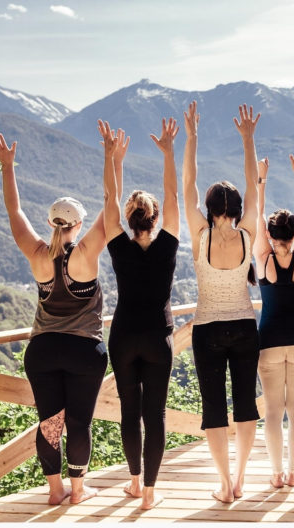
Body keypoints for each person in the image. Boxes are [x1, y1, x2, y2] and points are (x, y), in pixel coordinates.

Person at [0, 132, 108, 506]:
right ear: (78, 224)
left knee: (49, 423)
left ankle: (54, 491)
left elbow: (14, 212)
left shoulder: (37, 253)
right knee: (79, 424)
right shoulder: (86, 255)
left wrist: (7, 167)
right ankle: (77, 491)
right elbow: (112, 204)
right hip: (84, 350)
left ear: (52, 222)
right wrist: (112, 157)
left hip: (42, 350)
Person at [99, 116, 179, 511]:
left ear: (129, 222)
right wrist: (168, 153)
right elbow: (173, 194)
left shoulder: (118, 244)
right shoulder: (167, 244)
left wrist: (112, 157)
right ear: (157, 217)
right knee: (156, 414)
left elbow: (108, 200)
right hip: (158, 337)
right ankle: (149, 493)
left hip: (124, 336)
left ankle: (133, 482)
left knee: (130, 412)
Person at [184, 102, 261, 504]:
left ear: (210, 208)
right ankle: (243, 477)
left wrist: (192, 135)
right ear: (236, 209)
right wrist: (247, 139)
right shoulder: (248, 233)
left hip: (207, 329)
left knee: (214, 407)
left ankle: (225, 483)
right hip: (246, 327)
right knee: (246, 404)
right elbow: (254, 182)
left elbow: (187, 186)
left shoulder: (200, 235)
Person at [254, 153, 294, 489]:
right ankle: (293, 473)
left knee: (274, 413)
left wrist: (262, 179)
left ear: (271, 233)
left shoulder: (263, 257)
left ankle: (276, 475)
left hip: (270, 343)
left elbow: (259, 217)